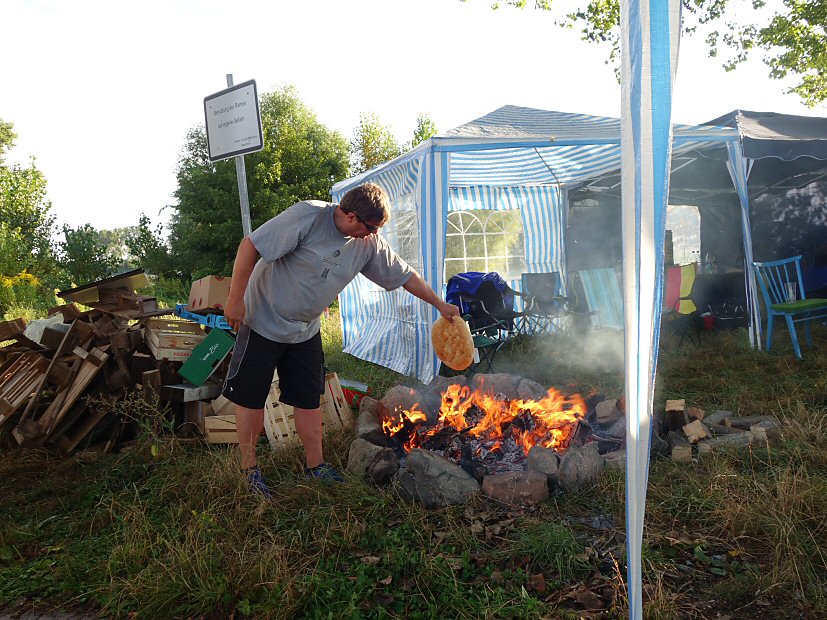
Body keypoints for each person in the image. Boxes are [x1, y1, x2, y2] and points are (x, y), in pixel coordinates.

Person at [222, 182, 459, 496]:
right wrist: (235, 299)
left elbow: (405, 275)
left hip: (304, 329)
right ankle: (249, 470)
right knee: (251, 396)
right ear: (350, 216)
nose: (374, 234)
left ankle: (315, 466)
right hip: (262, 319)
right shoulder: (308, 216)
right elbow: (250, 245)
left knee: (308, 398)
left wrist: (440, 304)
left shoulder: (368, 243)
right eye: (371, 227)